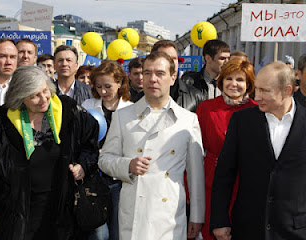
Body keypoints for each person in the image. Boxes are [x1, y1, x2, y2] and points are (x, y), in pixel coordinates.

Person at [98, 51, 205, 240]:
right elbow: (105, 159)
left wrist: (196, 216)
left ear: (173, 78)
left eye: (160, 73)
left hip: (170, 214)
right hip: (134, 213)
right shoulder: (123, 116)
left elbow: (196, 174)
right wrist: (127, 165)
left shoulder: (188, 120)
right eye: (147, 73)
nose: (152, 79)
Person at [0, 66, 99, 240]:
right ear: (20, 97)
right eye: (34, 96)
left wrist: (83, 165)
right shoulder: (3, 124)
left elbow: (90, 145)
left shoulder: (69, 111)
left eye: (45, 91)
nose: (43, 99)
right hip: (19, 211)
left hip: (62, 207)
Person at [210, 62, 306, 240]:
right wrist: (219, 220)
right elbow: (224, 173)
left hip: (296, 231)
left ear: (286, 90)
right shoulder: (242, 120)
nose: (257, 96)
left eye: (265, 91)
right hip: (247, 228)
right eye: (257, 89)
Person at [196, 58, 257, 240]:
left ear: (248, 84)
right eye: (229, 79)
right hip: (213, 182)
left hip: (246, 183)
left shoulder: (257, 110)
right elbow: (196, 148)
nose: (234, 84)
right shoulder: (207, 108)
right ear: (221, 81)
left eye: (240, 80)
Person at [82, 60, 132, 240]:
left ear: (120, 83)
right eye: (99, 86)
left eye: (108, 86)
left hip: (120, 179)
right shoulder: (87, 106)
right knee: (99, 232)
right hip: (94, 179)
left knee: (119, 230)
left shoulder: (132, 108)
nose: (103, 91)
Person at [151, 40, 202, 113]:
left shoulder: (196, 96)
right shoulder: (141, 98)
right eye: (166, 58)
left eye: (174, 58)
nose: (171, 62)